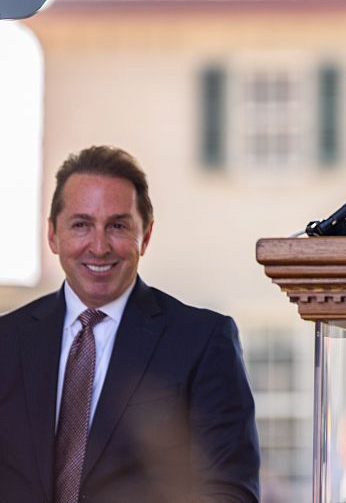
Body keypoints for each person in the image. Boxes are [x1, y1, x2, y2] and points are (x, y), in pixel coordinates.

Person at [0, 146, 260, 502]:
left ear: (146, 236)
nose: (99, 246)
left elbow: (229, 490)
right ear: (52, 235)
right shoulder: (7, 341)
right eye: (81, 225)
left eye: (118, 226)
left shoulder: (202, 341)